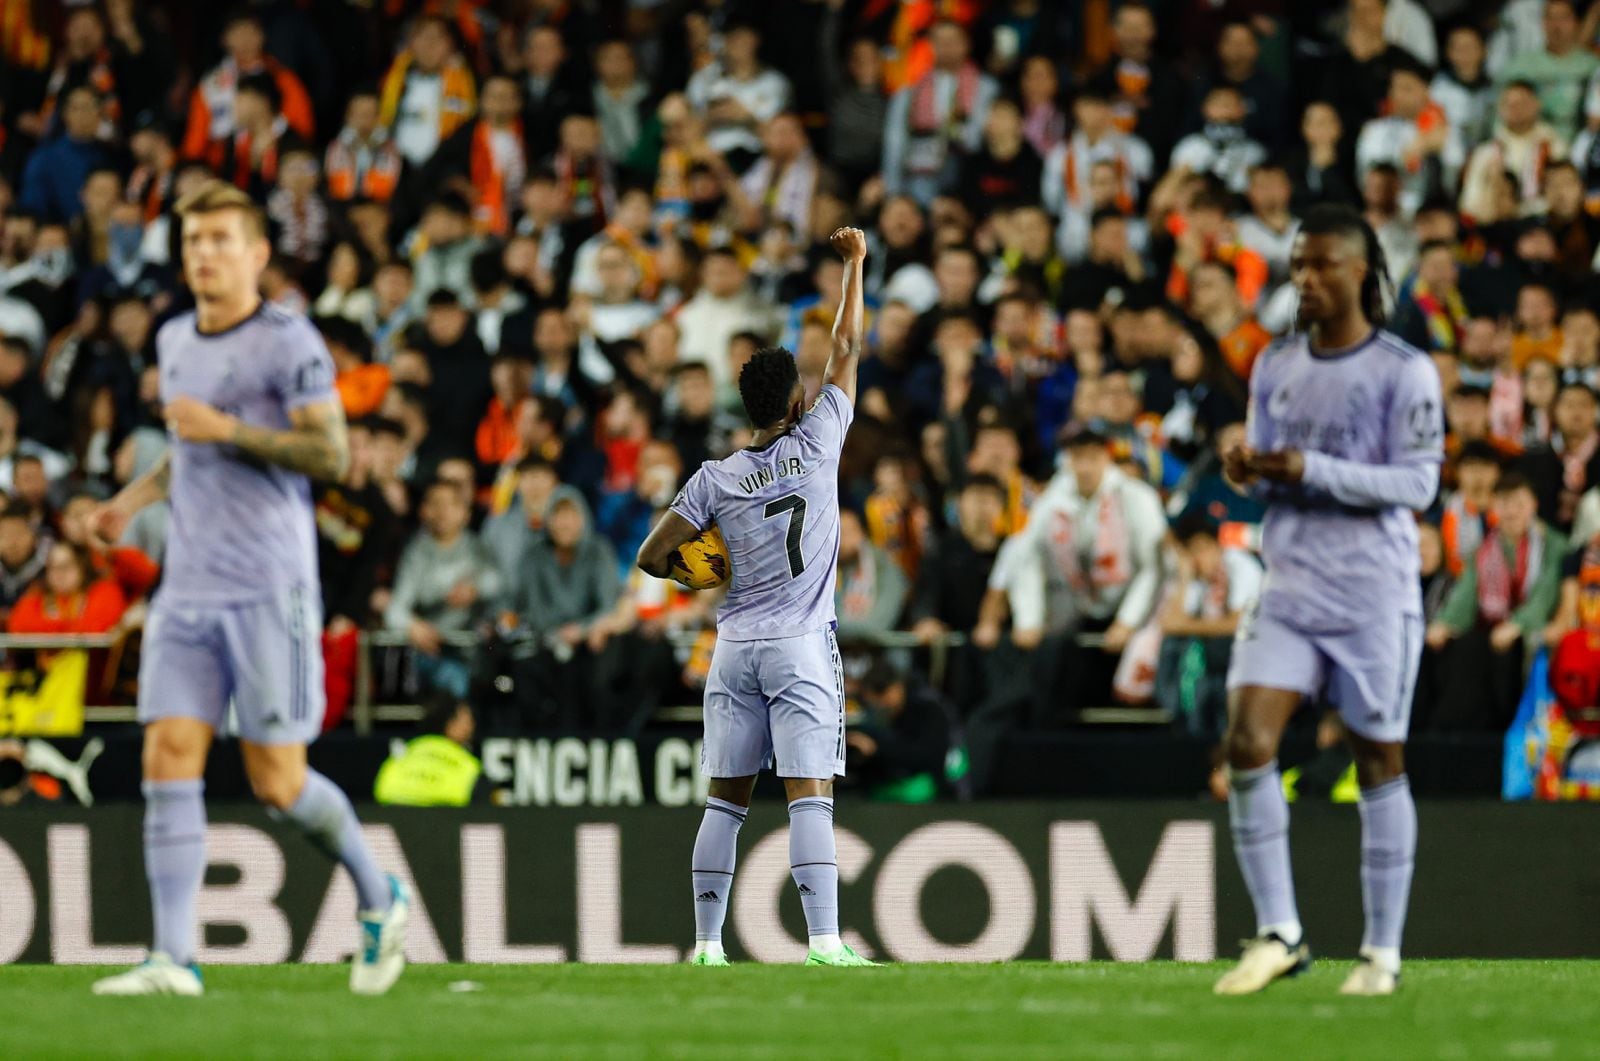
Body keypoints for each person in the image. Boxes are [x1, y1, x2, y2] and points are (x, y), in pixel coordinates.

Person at [84, 182, 409, 997]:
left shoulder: (288, 341)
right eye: (193, 238)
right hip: (187, 588)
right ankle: (173, 957)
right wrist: (128, 502)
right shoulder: (172, 339)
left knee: (278, 781)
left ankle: (381, 893)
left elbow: (331, 457)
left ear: (258, 252)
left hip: (269, 586)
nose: (204, 253)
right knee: (168, 751)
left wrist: (227, 428)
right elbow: (186, 448)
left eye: (221, 238)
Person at [1215, 204, 1443, 997]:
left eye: (1319, 265)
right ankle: (1282, 931)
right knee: (1247, 739)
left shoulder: (1404, 370)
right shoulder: (1274, 362)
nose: (1304, 279)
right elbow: (1272, 457)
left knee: (1379, 756)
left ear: (1361, 273)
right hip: (1291, 584)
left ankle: (1381, 951)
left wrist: (1306, 468)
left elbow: (1418, 483)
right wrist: (1249, 467)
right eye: (1296, 266)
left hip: (1375, 593)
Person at [636, 226, 873, 968]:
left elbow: (651, 554)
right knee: (809, 795)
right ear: (798, 399)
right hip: (801, 643)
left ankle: (706, 945)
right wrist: (854, 265)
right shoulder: (822, 434)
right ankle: (825, 942)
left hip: (733, 645)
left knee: (724, 802)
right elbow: (847, 349)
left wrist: (703, 571)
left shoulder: (716, 476)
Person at [373, 697, 482, 807]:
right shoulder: (468, 764)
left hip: (392, 812)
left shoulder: (405, 752)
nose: (471, 726)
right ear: (449, 724)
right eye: (467, 720)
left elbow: (381, 790)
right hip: (447, 817)